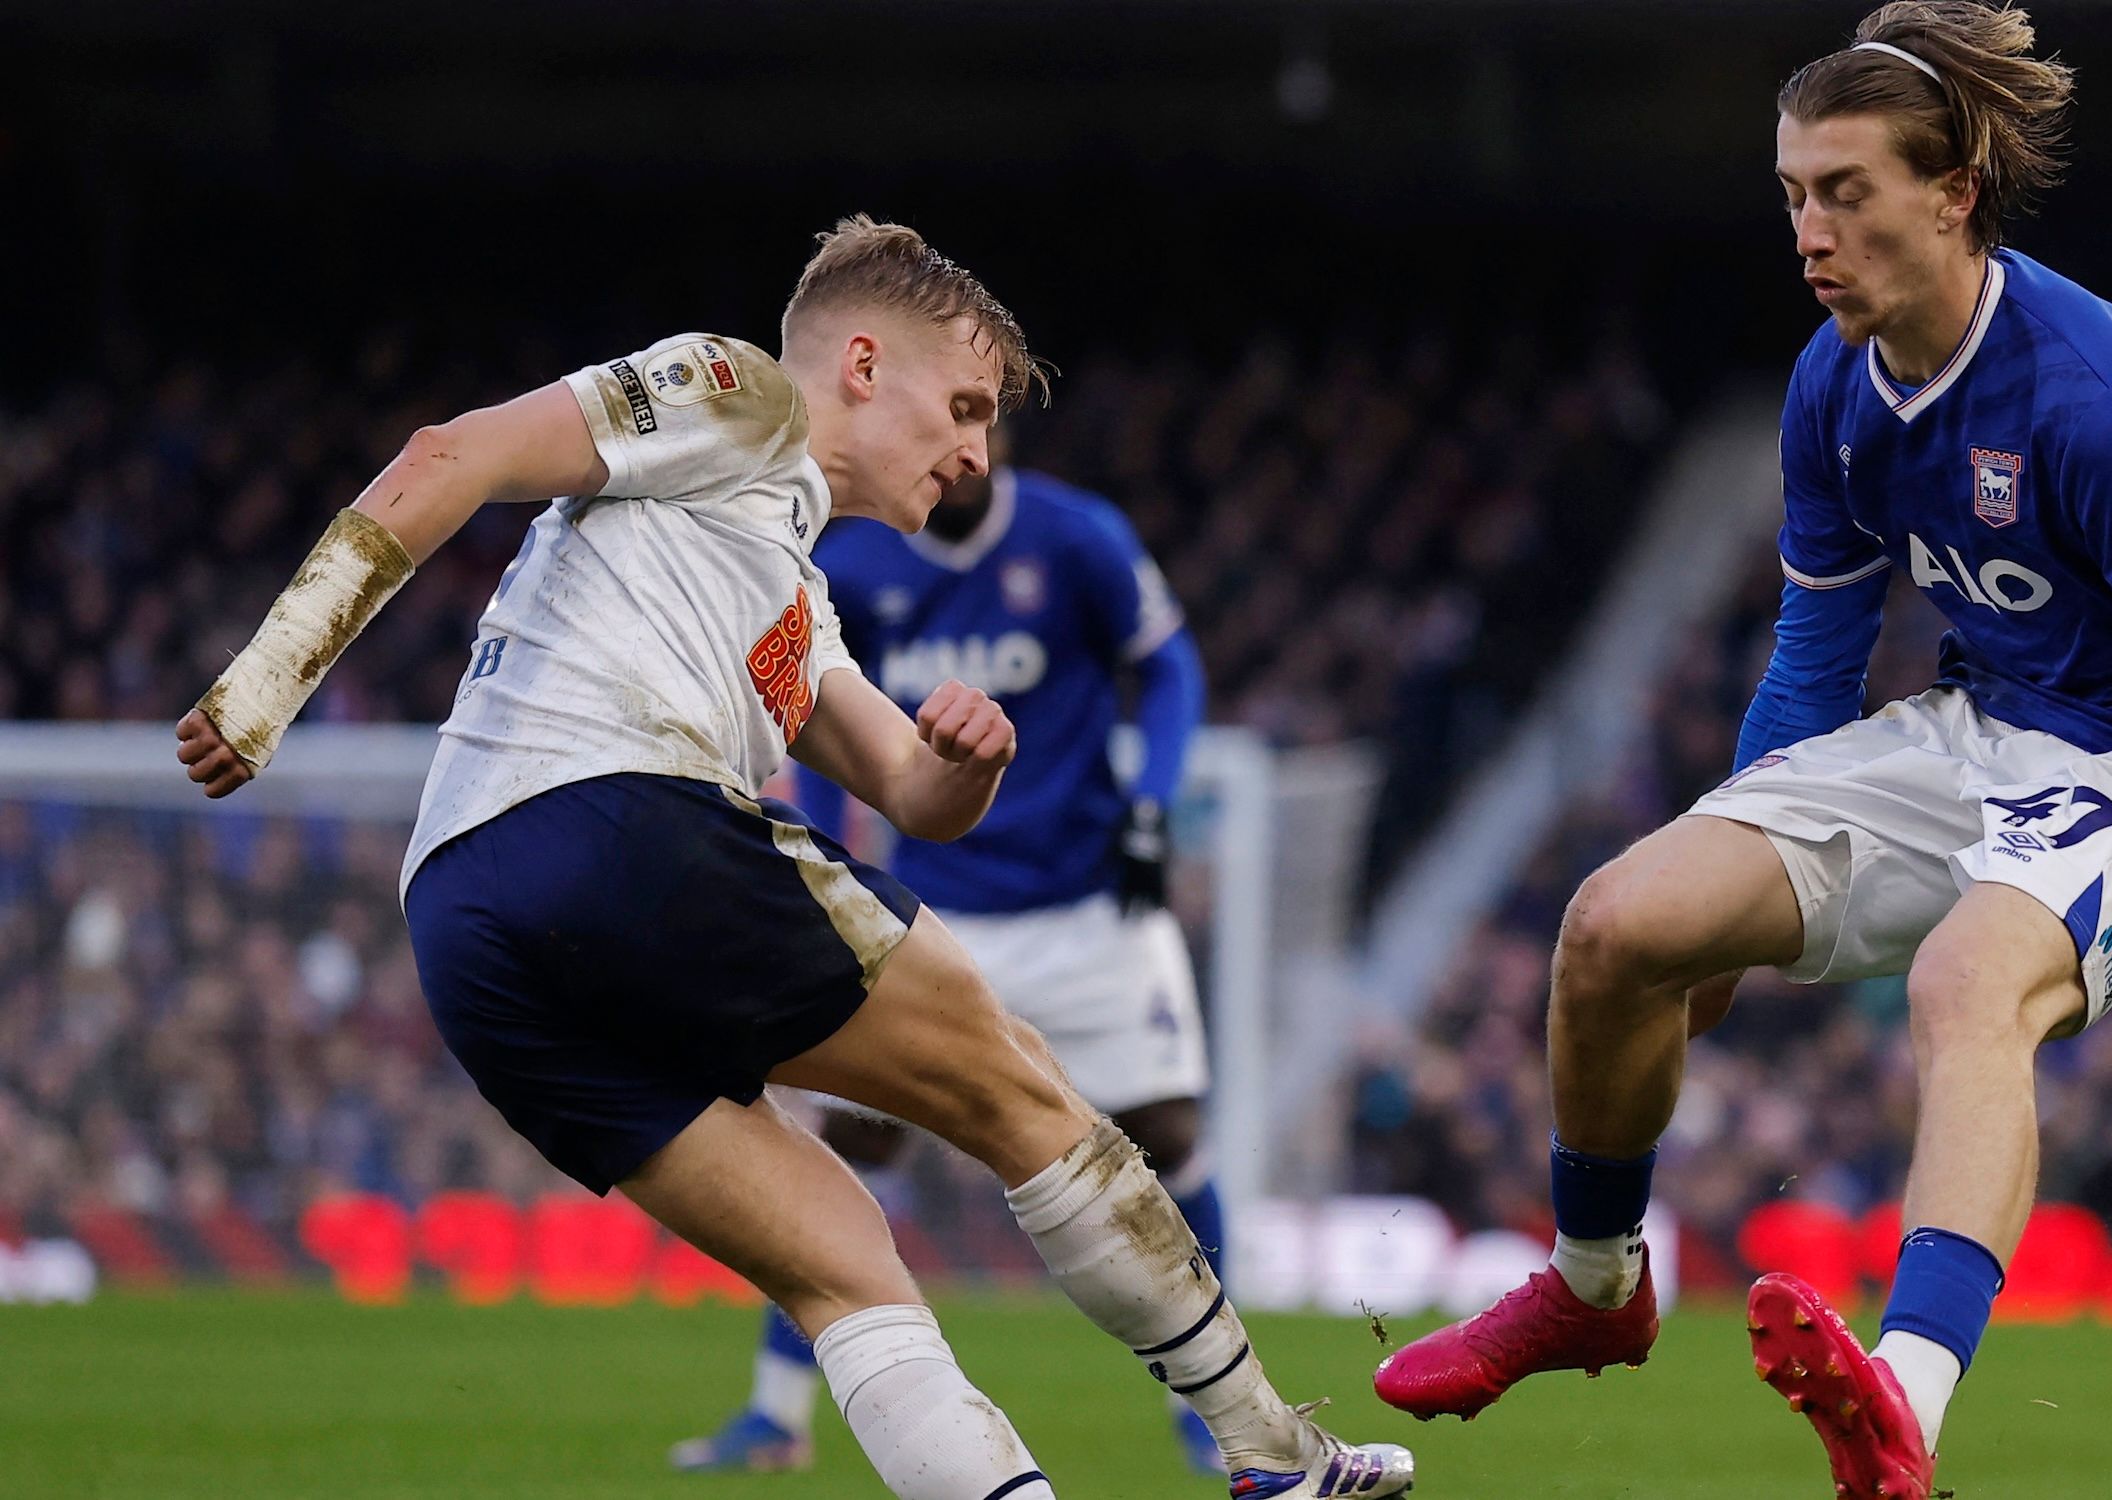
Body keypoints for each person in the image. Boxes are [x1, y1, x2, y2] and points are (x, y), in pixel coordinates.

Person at [176, 216, 1413, 1500]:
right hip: (606, 813)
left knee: (842, 1263)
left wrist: (970, 761)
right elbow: (455, 452)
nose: (976, 451)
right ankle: (1271, 1451)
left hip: (467, 932)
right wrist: (267, 681)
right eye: (965, 406)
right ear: (863, 366)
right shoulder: (737, 391)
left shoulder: (786, 590)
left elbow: (911, 791)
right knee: (1022, 1092)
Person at [1370, 6, 2112, 1497]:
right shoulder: (1835, 385)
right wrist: (1724, 907)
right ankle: (1596, 1286)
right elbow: (1814, 661)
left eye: (1846, 192)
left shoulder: (2099, 402)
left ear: (1953, 196)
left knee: (1964, 985)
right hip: (1967, 726)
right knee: (1617, 926)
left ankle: (1904, 1410)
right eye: (1794, 194)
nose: (1810, 232)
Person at [671, 448, 1227, 1476]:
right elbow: (812, 713)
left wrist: (1152, 803)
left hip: (1092, 904)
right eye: (950, 414)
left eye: (982, 416)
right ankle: (777, 1414)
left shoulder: (1078, 537)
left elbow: (1169, 668)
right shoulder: (856, 566)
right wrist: (829, 839)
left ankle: (1208, 1413)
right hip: (942, 917)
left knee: (1170, 1136)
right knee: (854, 1142)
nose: (963, 446)